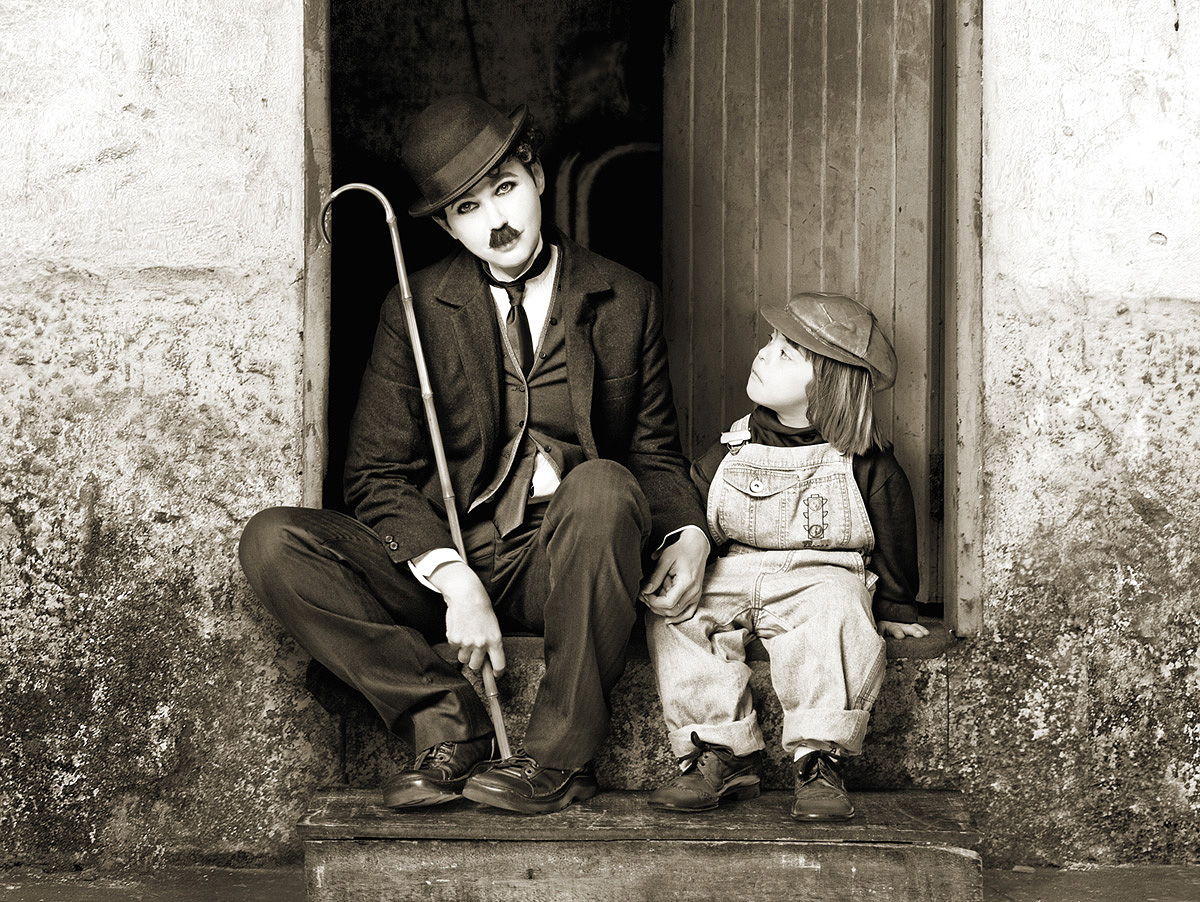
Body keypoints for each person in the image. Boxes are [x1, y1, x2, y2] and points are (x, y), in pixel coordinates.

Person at [238, 94, 710, 815]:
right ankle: (447, 722)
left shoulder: (627, 300)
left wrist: (691, 533)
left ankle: (558, 757)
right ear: (446, 225)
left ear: (537, 176)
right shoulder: (415, 306)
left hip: (562, 559)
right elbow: (374, 474)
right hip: (445, 556)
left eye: (506, 188)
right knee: (273, 542)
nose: (497, 221)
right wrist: (453, 579)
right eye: (467, 208)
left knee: (605, 484)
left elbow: (654, 452)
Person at [643, 291, 929, 821]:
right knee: (674, 614)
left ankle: (819, 758)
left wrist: (895, 606)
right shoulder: (732, 447)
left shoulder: (866, 463)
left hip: (820, 576)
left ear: (829, 384)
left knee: (839, 609)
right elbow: (696, 508)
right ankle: (720, 751)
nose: (763, 353)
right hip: (732, 570)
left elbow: (894, 531)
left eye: (784, 353)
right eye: (770, 342)